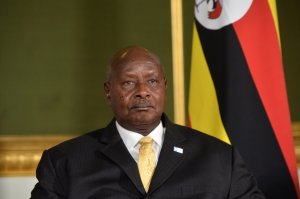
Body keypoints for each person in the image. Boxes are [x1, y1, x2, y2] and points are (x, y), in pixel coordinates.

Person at [30, 46, 265, 198]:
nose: (143, 92)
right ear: (108, 91)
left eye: (152, 81)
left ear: (165, 87)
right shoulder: (63, 163)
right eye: (129, 83)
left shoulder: (220, 159)